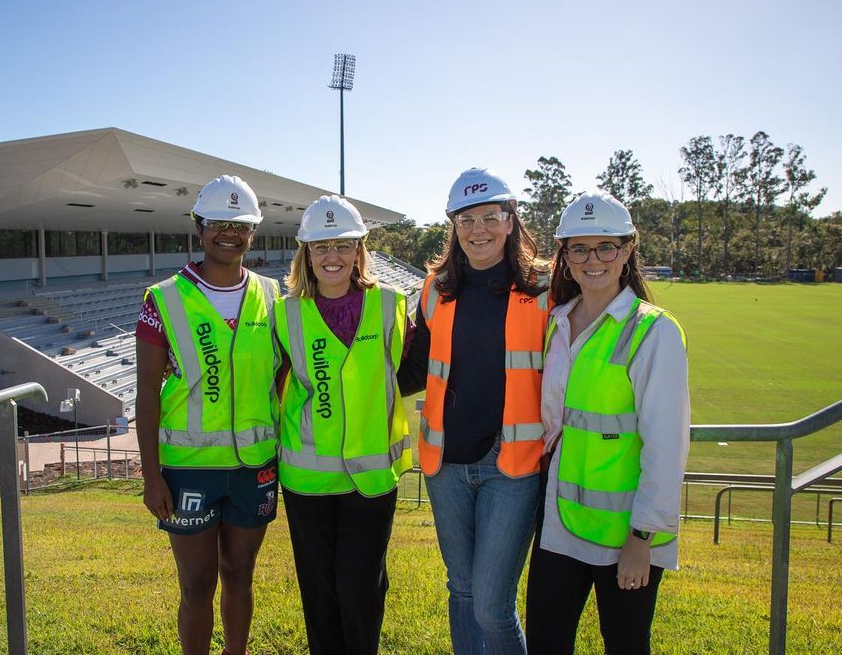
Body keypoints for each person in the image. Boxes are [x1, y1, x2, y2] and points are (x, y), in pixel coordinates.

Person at [525, 191, 690, 655]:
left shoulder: (654, 332)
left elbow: (666, 446)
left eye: (605, 247)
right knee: (545, 642)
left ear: (628, 249)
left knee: (625, 644)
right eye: (578, 248)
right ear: (565, 256)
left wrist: (642, 539)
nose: (591, 260)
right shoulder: (556, 322)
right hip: (560, 522)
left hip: (625, 535)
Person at [398, 167, 550, 655]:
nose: (478, 228)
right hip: (445, 464)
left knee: (490, 603)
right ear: (454, 226)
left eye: (491, 216)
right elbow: (416, 370)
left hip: (513, 465)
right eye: (467, 219)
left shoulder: (547, 289)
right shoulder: (435, 288)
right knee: (460, 591)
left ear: (510, 221)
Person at [135, 175, 281, 655]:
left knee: (240, 575)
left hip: (253, 466)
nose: (228, 233)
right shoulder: (163, 299)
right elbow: (147, 395)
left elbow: (281, 377)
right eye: (217, 223)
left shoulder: (272, 295)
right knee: (197, 586)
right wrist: (152, 476)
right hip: (187, 472)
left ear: (252, 233)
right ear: (198, 227)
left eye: (239, 225)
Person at [275, 194, 413, 655]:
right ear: (305, 255)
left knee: (361, 589)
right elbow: (275, 386)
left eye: (342, 246)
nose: (331, 257)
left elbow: (404, 372)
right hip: (309, 480)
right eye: (319, 247)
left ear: (359, 250)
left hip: (372, 478)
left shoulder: (392, 305)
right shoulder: (285, 312)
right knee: (320, 595)